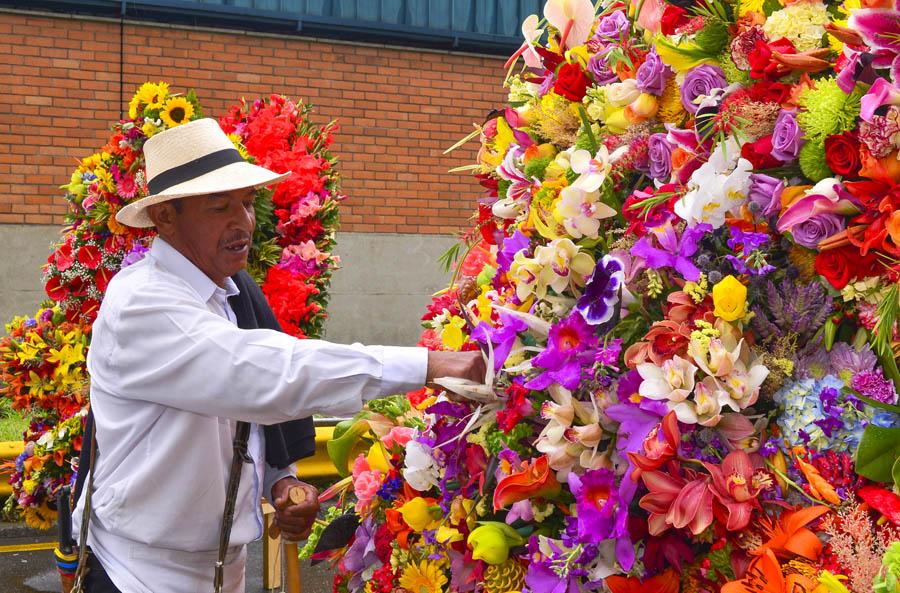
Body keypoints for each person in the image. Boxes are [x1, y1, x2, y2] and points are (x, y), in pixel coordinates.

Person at [72, 118, 485, 593]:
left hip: (221, 569)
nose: (242, 222)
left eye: (247, 204)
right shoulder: (144, 303)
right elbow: (267, 374)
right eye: (219, 207)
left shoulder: (230, 295)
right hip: (136, 575)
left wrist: (280, 482)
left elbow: (238, 415)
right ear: (165, 217)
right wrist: (429, 365)